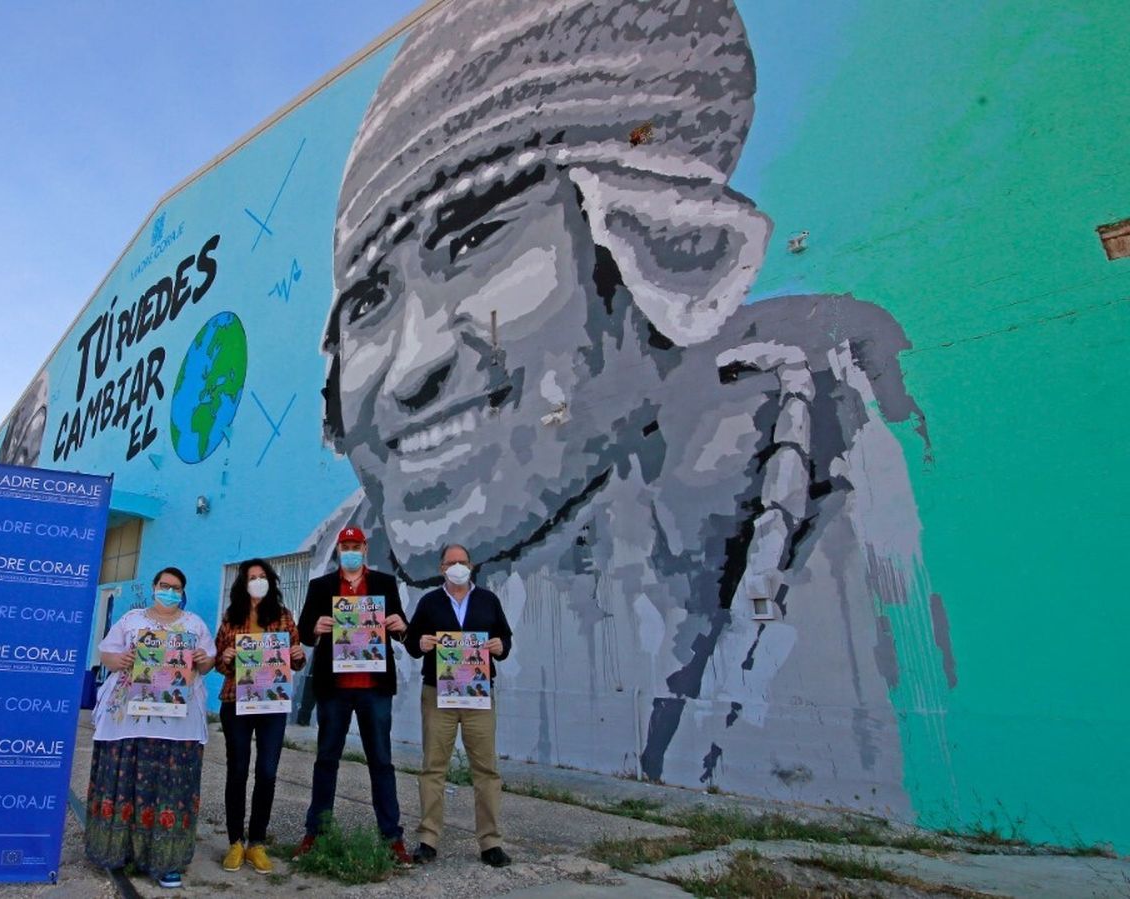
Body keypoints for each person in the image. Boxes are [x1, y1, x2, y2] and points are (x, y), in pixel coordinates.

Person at [311, 0, 951, 813]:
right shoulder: (342, 559)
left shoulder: (879, 462)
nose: (409, 369)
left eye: (477, 238)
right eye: (368, 298)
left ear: (671, 247)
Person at [84, 567, 216, 890]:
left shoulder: (194, 624)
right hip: (128, 715)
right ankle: (117, 852)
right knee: (124, 776)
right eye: (164, 585)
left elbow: (208, 663)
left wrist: (201, 659)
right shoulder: (131, 620)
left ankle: (165, 860)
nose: (169, 591)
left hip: (177, 719)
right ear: (154, 586)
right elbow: (106, 652)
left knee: (171, 784)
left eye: (176, 588)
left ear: (182, 593)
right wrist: (121, 660)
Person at [295, 526, 410, 863]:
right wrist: (315, 629)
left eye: (354, 545)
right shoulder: (322, 586)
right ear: (338, 550)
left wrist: (400, 627)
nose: (349, 550)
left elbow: (402, 629)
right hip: (334, 690)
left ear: (365, 547)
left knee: (382, 762)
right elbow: (303, 630)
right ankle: (315, 833)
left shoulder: (385, 584)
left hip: (375, 689)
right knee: (326, 761)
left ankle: (392, 838)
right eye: (344, 545)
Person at [402, 544, 513, 867]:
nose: (457, 567)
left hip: (478, 696)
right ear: (441, 568)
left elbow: (505, 639)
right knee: (434, 767)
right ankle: (428, 839)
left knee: (486, 770)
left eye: (462, 562)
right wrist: (419, 643)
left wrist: (499, 646)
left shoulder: (488, 601)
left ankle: (490, 842)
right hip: (439, 694)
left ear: (472, 566)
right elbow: (411, 641)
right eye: (451, 563)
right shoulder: (430, 602)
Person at [213, 559, 306, 874]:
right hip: (235, 702)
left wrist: (298, 655)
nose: (257, 581)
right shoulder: (231, 617)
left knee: (267, 772)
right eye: (251, 577)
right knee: (237, 770)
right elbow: (219, 660)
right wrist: (225, 657)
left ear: (271, 581)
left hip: (272, 705)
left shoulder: (283, 616)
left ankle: (257, 843)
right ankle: (235, 842)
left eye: (262, 576)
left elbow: (296, 658)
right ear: (242, 583)